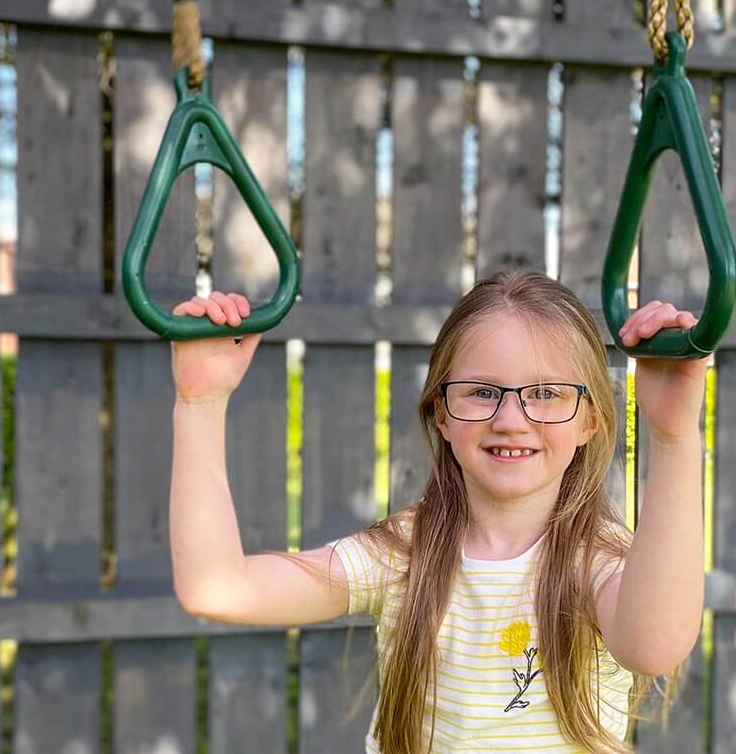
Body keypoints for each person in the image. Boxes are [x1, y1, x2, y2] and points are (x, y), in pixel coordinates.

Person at [169, 270, 707, 753]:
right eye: (480, 392)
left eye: (545, 393)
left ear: (590, 420)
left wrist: (674, 435)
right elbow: (216, 587)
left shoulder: (596, 564)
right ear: (441, 416)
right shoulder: (402, 556)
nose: (511, 420)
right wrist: (200, 403)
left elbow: (652, 646)